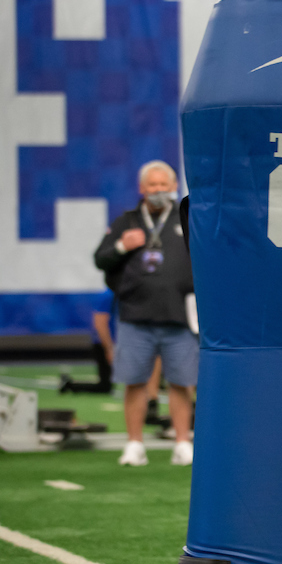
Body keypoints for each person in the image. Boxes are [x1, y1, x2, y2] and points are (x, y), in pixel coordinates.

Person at [93, 160, 196, 466]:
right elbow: (101, 259)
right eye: (153, 185)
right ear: (142, 188)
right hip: (135, 316)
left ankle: (182, 442)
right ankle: (135, 444)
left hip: (180, 316)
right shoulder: (126, 221)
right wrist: (122, 247)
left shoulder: (186, 217)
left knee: (182, 382)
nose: (159, 191)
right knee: (135, 381)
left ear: (174, 186)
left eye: (164, 185)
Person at [60, 288, 117, 394]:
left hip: (106, 342)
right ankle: (69, 385)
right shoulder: (108, 295)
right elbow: (99, 323)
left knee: (107, 384)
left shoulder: (113, 294)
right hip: (102, 343)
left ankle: (69, 384)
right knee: (105, 386)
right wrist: (109, 348)